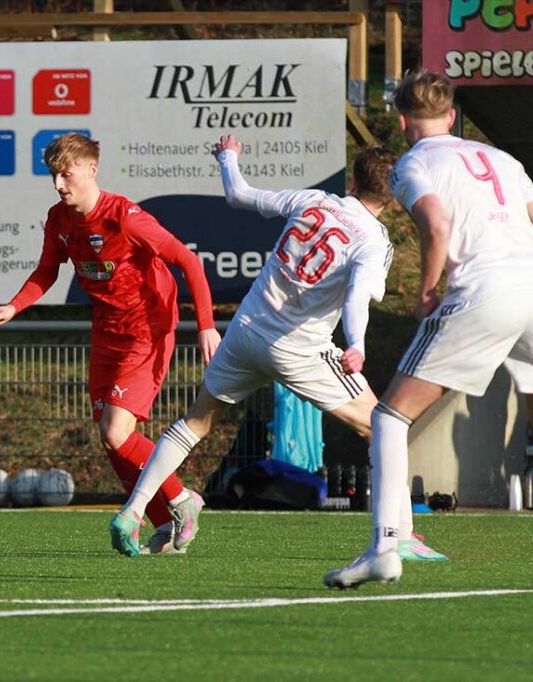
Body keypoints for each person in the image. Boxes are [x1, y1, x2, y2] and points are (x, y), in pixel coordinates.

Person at [110, 135, 446, 560]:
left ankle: (133, 509)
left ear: (354, 181)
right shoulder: (374, 241)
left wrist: (228, 157)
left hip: (246, 331)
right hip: (299, 348)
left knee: (195, 422)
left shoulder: (313, 202)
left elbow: (239, 194)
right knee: (383, 423)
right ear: (394, 196)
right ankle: (400, 535)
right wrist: (357, 344)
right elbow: (357, 297)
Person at [323, 70, 533, 589]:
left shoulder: (414, 163)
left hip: (482, 291)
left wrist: (429, 290)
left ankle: (384, 547)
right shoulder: (502, 159)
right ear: (451, 117)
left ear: (403, 122)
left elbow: (437, 223)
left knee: (388, 416)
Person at [0, 133, 220, 554]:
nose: (58, 184)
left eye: (66, 174)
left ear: (91, 169)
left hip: (148, 329)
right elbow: (47, 271)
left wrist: (206, 325)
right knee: (113, 442)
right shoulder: (59, 218)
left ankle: (185, 499)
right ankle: (163, 525)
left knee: (116, 432)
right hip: (107, 331)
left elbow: (188, 260)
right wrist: (14, 307)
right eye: (53, 175)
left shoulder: (124, 217)